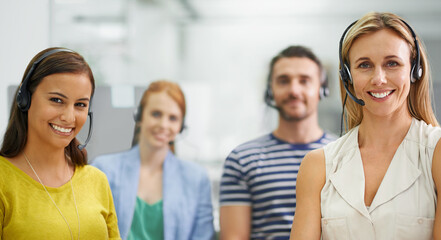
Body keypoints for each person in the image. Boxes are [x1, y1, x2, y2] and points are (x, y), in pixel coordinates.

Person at [290, 12, 441, 240]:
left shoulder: (435, 152)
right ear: (348, 76)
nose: (378, 78)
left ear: (414, 71)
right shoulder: (318, 165)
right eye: (364, 65)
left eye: (392, 63)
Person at [0, 47, 120, 239]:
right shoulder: (3, 180)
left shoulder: (97, 181)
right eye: (57, 100)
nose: (69, 117)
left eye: (80, 104)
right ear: (25, 99)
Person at [219, 45, 336, 239]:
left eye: (304, 81)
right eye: (284, 81)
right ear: (270, 90)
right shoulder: (241, 159)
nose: (294, 90)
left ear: (322, 90)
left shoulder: (344, 154)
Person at [92, 80, 215, 240]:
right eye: (156, 114)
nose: (163, 124)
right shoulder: (105, 169)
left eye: (173, 118)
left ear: (181, 126)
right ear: (140, 115)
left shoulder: (196, 178)